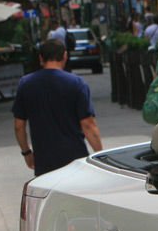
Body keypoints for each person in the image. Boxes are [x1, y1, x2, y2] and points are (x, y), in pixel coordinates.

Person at [13, 39, 102, 176]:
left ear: (41, 58)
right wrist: (100, 156)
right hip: (75, 159)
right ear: (65, 56)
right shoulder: (77, 83)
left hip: (44, 161)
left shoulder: (26, 84)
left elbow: (19, 126)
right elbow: (88, 125)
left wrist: (26, 152)